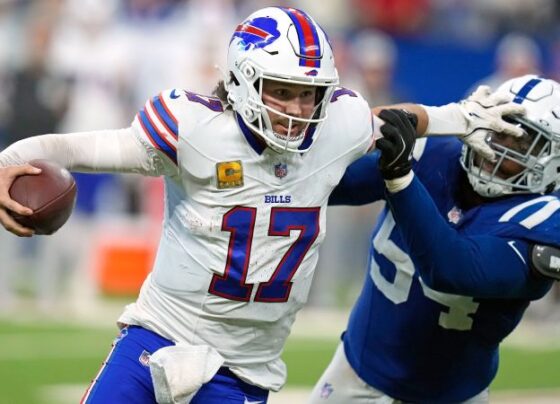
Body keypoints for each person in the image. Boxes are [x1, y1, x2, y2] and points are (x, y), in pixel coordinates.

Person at [0, 7, 525, 404]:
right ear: (243, 81)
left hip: (244, 370)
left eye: (309, 94)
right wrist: (13, 158)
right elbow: (86, 149)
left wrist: (460, 116)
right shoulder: (195, 130)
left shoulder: (335, 127)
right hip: (156, 337)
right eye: (283, 91)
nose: (299, 109)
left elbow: (396, 120)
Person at [309, 75, 560, 404]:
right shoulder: (437, 153)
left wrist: (400, 179)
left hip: (451, 396)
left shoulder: (545, 220)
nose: (500, 147)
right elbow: (325, 183)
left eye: (523, 143)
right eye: (500, 130)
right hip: (355, 373)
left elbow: (451, 269)